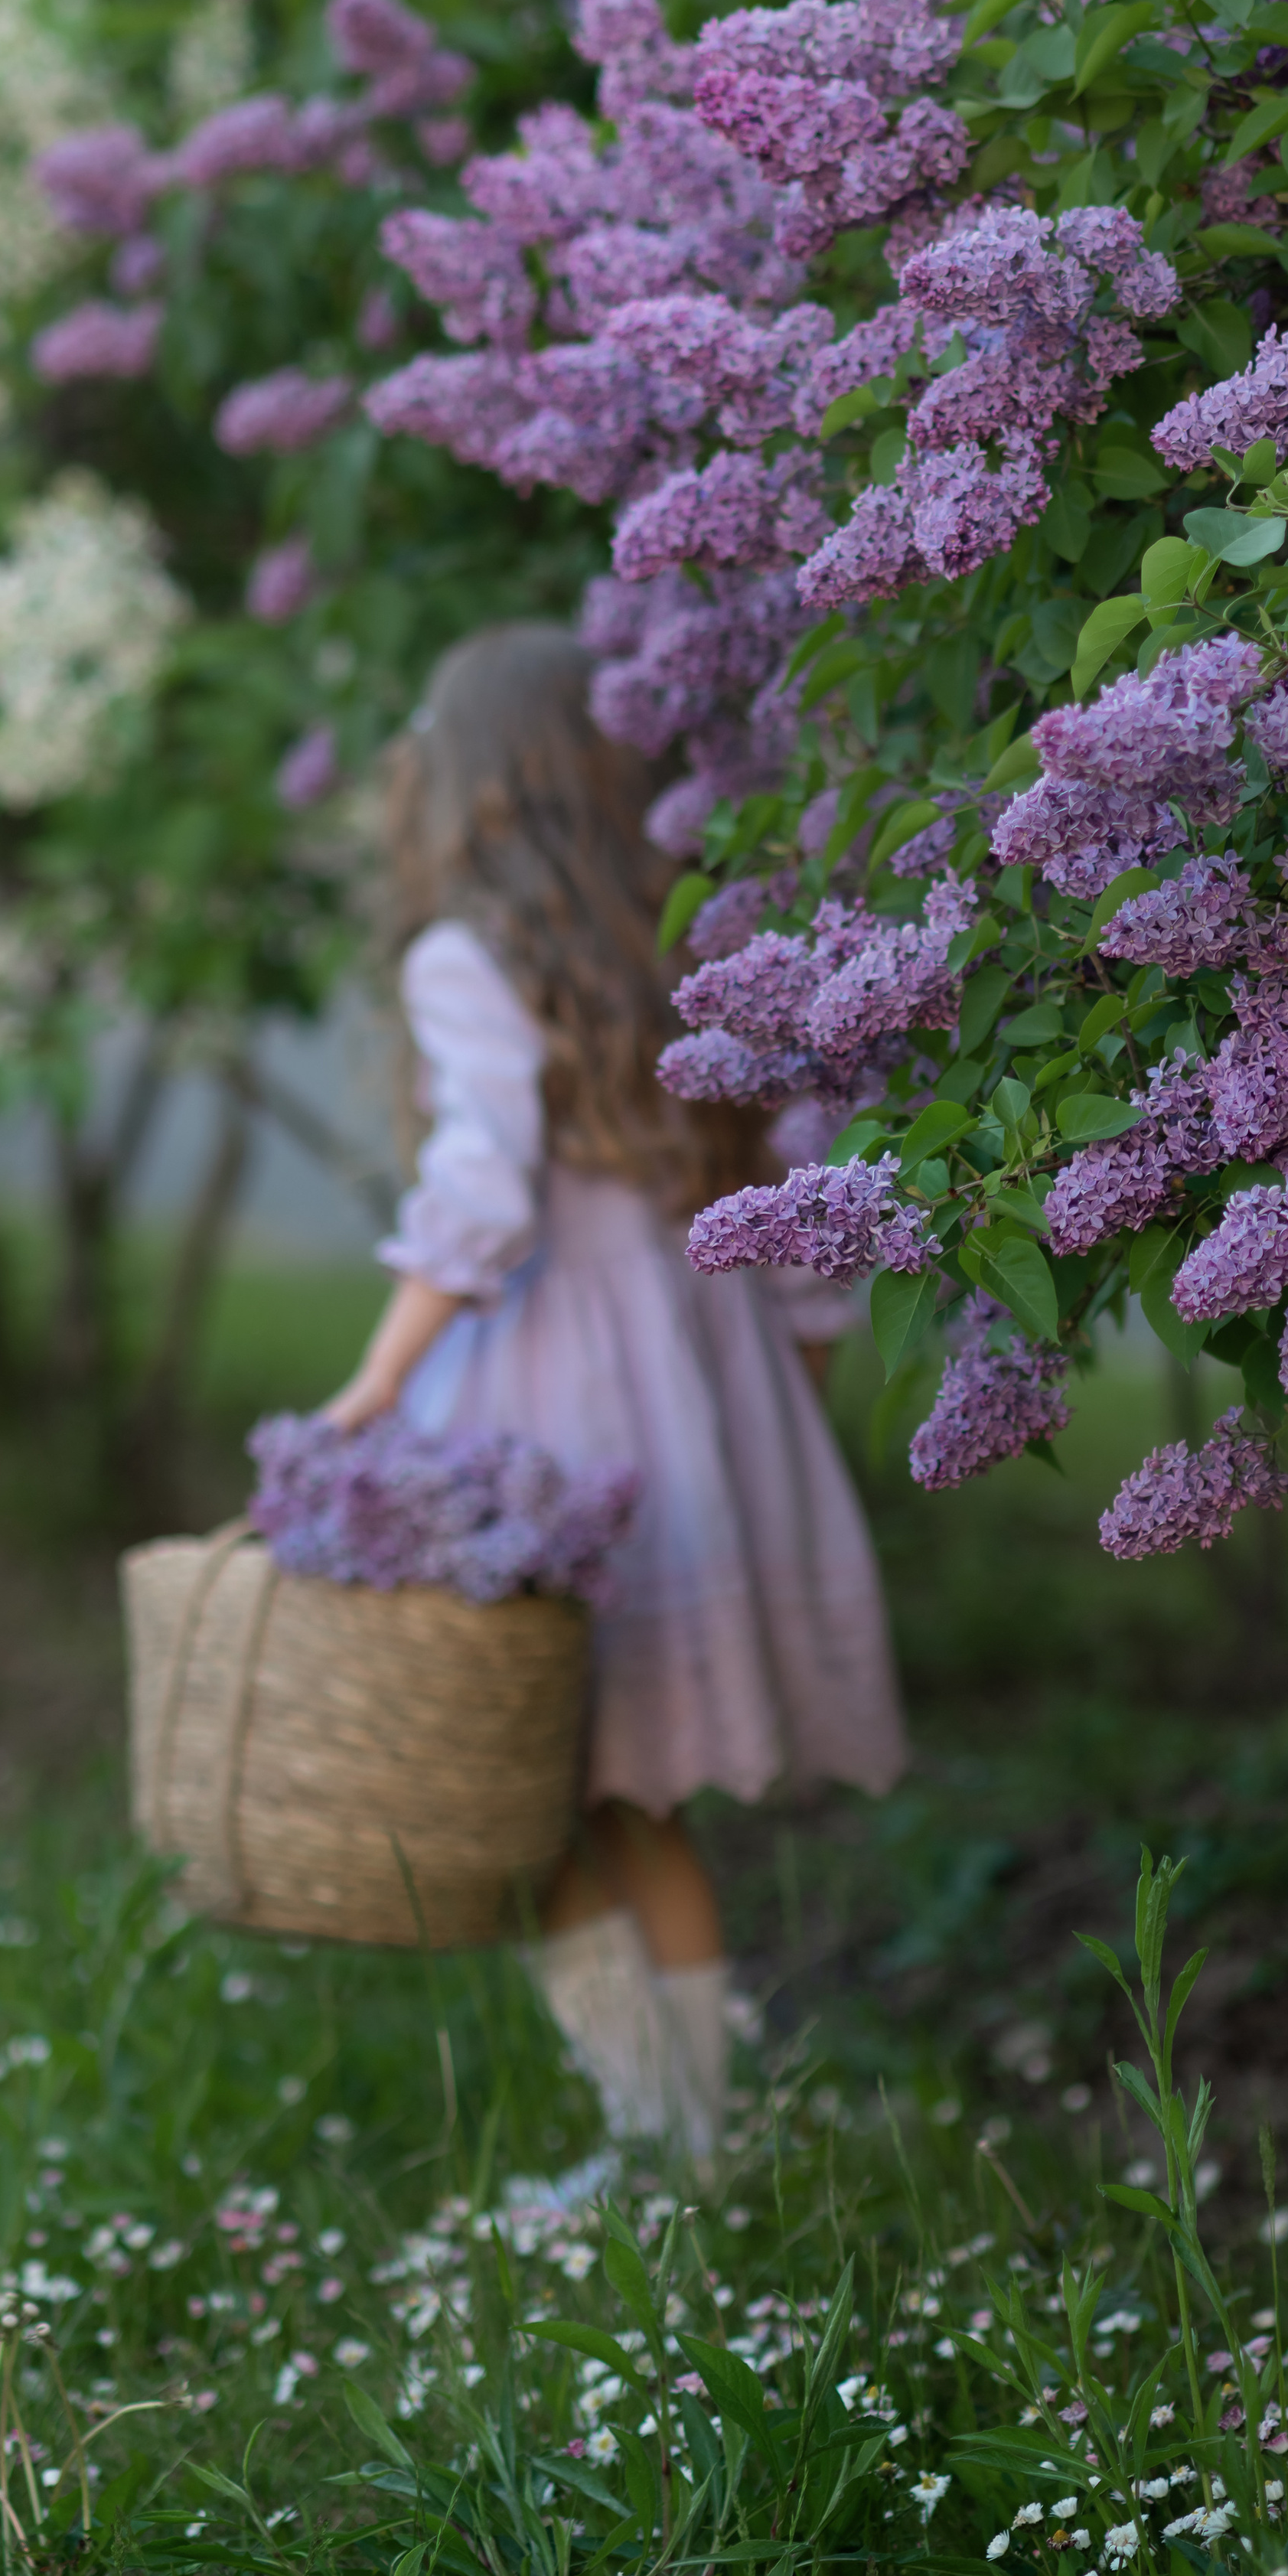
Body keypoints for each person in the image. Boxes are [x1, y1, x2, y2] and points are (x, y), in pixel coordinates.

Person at [321, 621, 905, 2155]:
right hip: (695, 1394)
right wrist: (780, 1410)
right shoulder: (695, 940)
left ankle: (663, 2144)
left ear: (467, 785)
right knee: (640, 1802)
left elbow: (480, 1180)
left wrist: (374, 1385)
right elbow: (799, 1212)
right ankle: (692, 2142)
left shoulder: (468, 957)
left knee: (545, 1803)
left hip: (544, 1409)